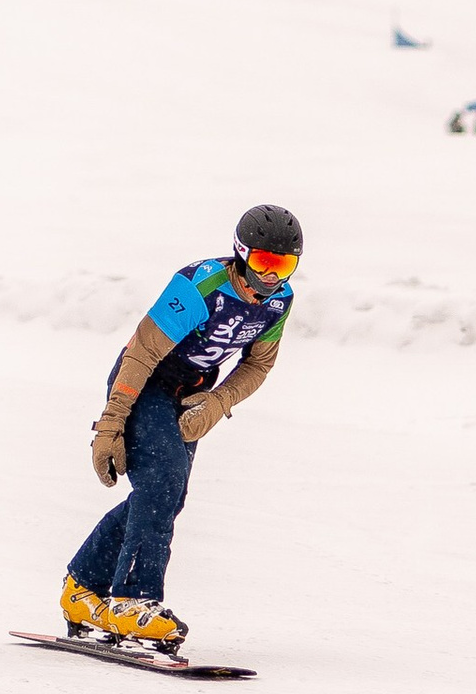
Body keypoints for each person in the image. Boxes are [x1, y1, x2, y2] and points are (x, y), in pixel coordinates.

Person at [60, 204, 301, 650]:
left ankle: (83, 589)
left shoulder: (280, 301)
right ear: (242, 254)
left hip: (193, 393)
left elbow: (259, 364)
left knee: (168, 496)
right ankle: (133, 603)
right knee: (161, 486)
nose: (273, 278)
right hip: (145, 383)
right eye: (265, 263)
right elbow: (141, 353)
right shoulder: (200, 285)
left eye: (285, 265)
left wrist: (217, 401)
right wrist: (111, 425)